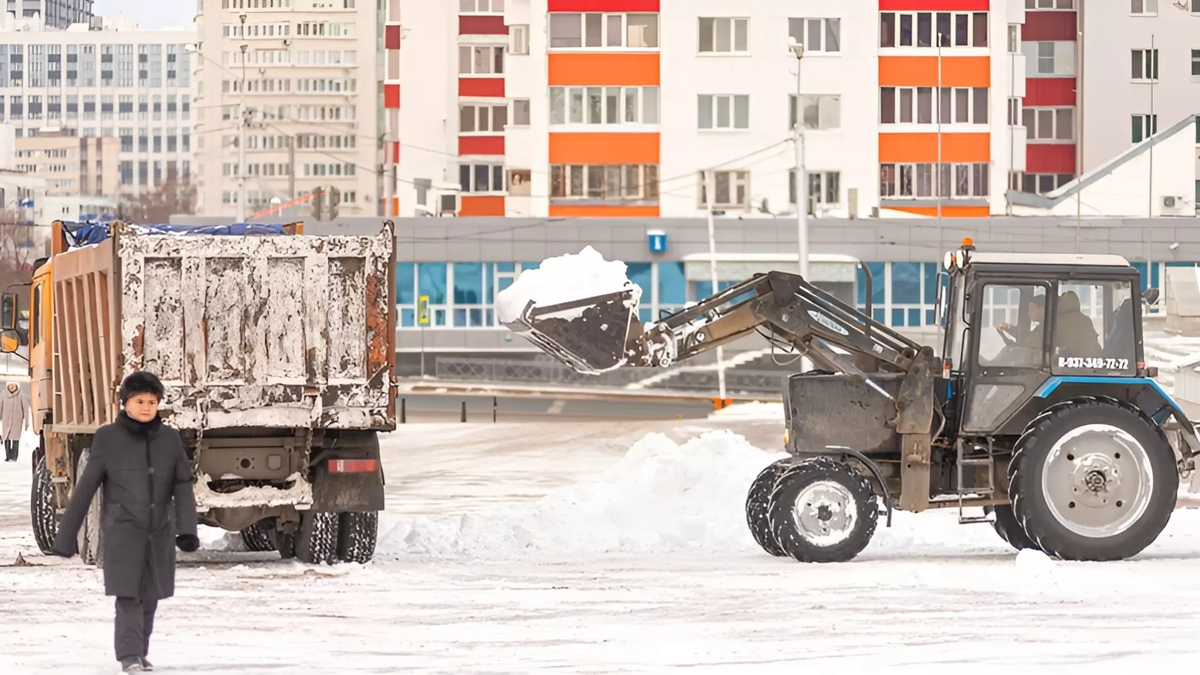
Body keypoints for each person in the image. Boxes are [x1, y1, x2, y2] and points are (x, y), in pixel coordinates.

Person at [51, 371, 199, 673]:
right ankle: (129, 655)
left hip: (159, 531)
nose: (146, 407)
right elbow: (85, 489)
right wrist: (66, 537)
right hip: (124, 531)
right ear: (125, 403)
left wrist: (187, 529)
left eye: (152, 402)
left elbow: (183, 485)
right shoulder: (108, 438)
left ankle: (140, 652)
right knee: (128, 595)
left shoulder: (169, 439)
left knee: (151, 596)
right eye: (140, 401)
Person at [0, 381, 26, 461]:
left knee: (15, 439)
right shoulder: (3, 394)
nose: (11, 387)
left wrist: (26, 421)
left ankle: (14, 456)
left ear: (16, 386)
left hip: (17, 420)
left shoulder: (21, 395)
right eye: (10, 385)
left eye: (13, 385)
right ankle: (8, 456)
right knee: (6, 438)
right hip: (6, 419)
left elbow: (25, 408)